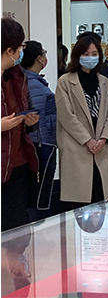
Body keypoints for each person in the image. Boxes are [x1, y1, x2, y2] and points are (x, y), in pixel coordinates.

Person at [56, 32, 108, 210]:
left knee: (102, 199)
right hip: (77, 146)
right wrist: (87, 140)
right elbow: (66, 116)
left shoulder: (104, 81)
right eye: (85, 54)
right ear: (77, 56)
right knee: (78, 203)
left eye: (94, 54)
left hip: (101, 147)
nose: (90, 57)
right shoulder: (65, 81)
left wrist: (104, 138)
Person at [1, 18, 39, 231]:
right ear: (9, 50)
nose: (22, 52)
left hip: (19, 165)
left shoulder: (18, 76)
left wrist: (30, 122)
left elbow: (27, 109)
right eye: (20, 47)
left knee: (18, 233)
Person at [22, 41, 58, 218]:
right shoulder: (33, 83)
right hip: (42, 143)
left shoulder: (33, 80)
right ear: (38, 58)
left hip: (43, 141)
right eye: (44, 53)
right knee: (40, 194)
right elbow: (33, 116)